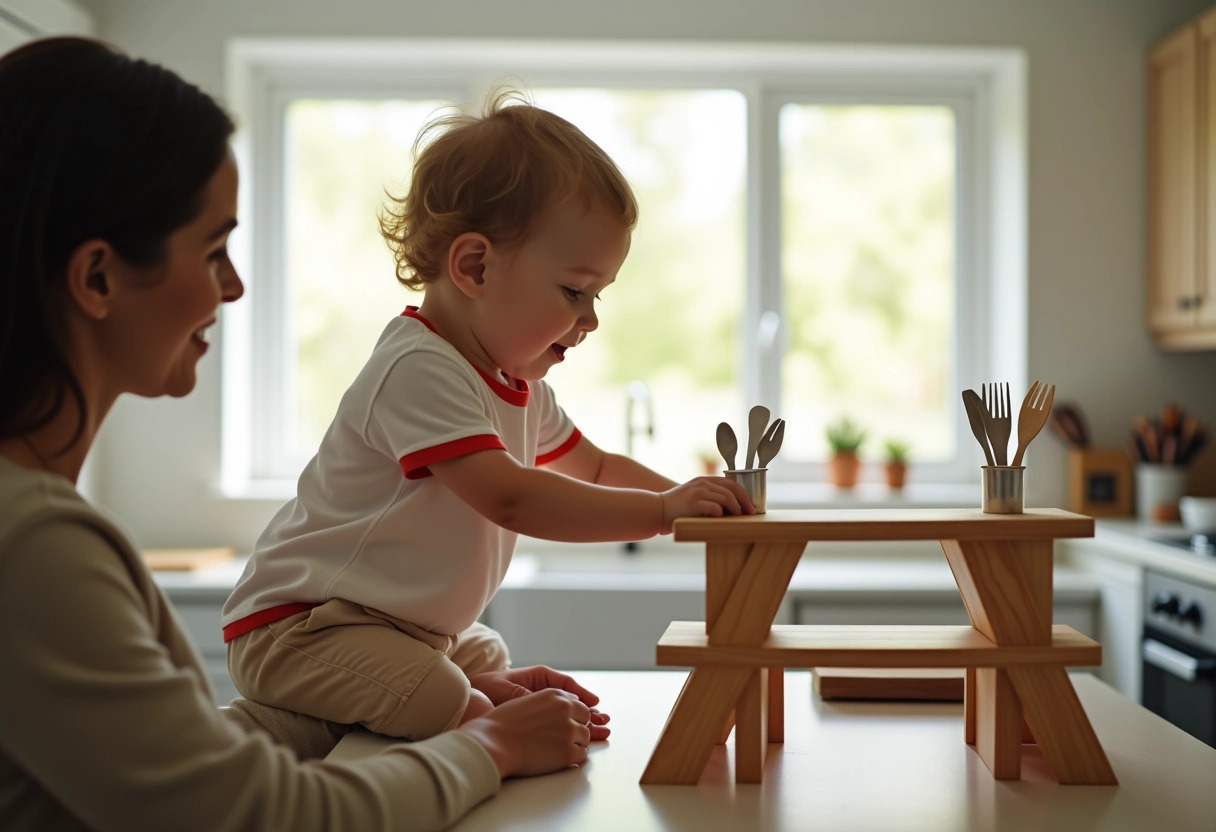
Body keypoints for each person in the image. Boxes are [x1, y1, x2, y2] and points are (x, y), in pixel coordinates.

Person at [0, 36, 599, 832]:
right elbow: (256, 815)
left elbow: (161, 775)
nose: (236, 285)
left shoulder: (37, 531)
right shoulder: (33, 547)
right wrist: (488, 746)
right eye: (214, 249)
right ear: (99, 277)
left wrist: (451, 697)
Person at [221, 92, 754, 741]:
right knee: (454, 701)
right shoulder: (419, 368)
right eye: (574, 291)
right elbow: (512, 499)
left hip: (399, 627)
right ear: (474, 266)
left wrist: (696, 506)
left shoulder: (514, 384)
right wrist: (666, 511)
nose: (590, 320)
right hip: (299, 627)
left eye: (598, 296)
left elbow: (596, 467)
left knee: (488, 657)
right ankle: (481, 733)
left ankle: (473, 701)